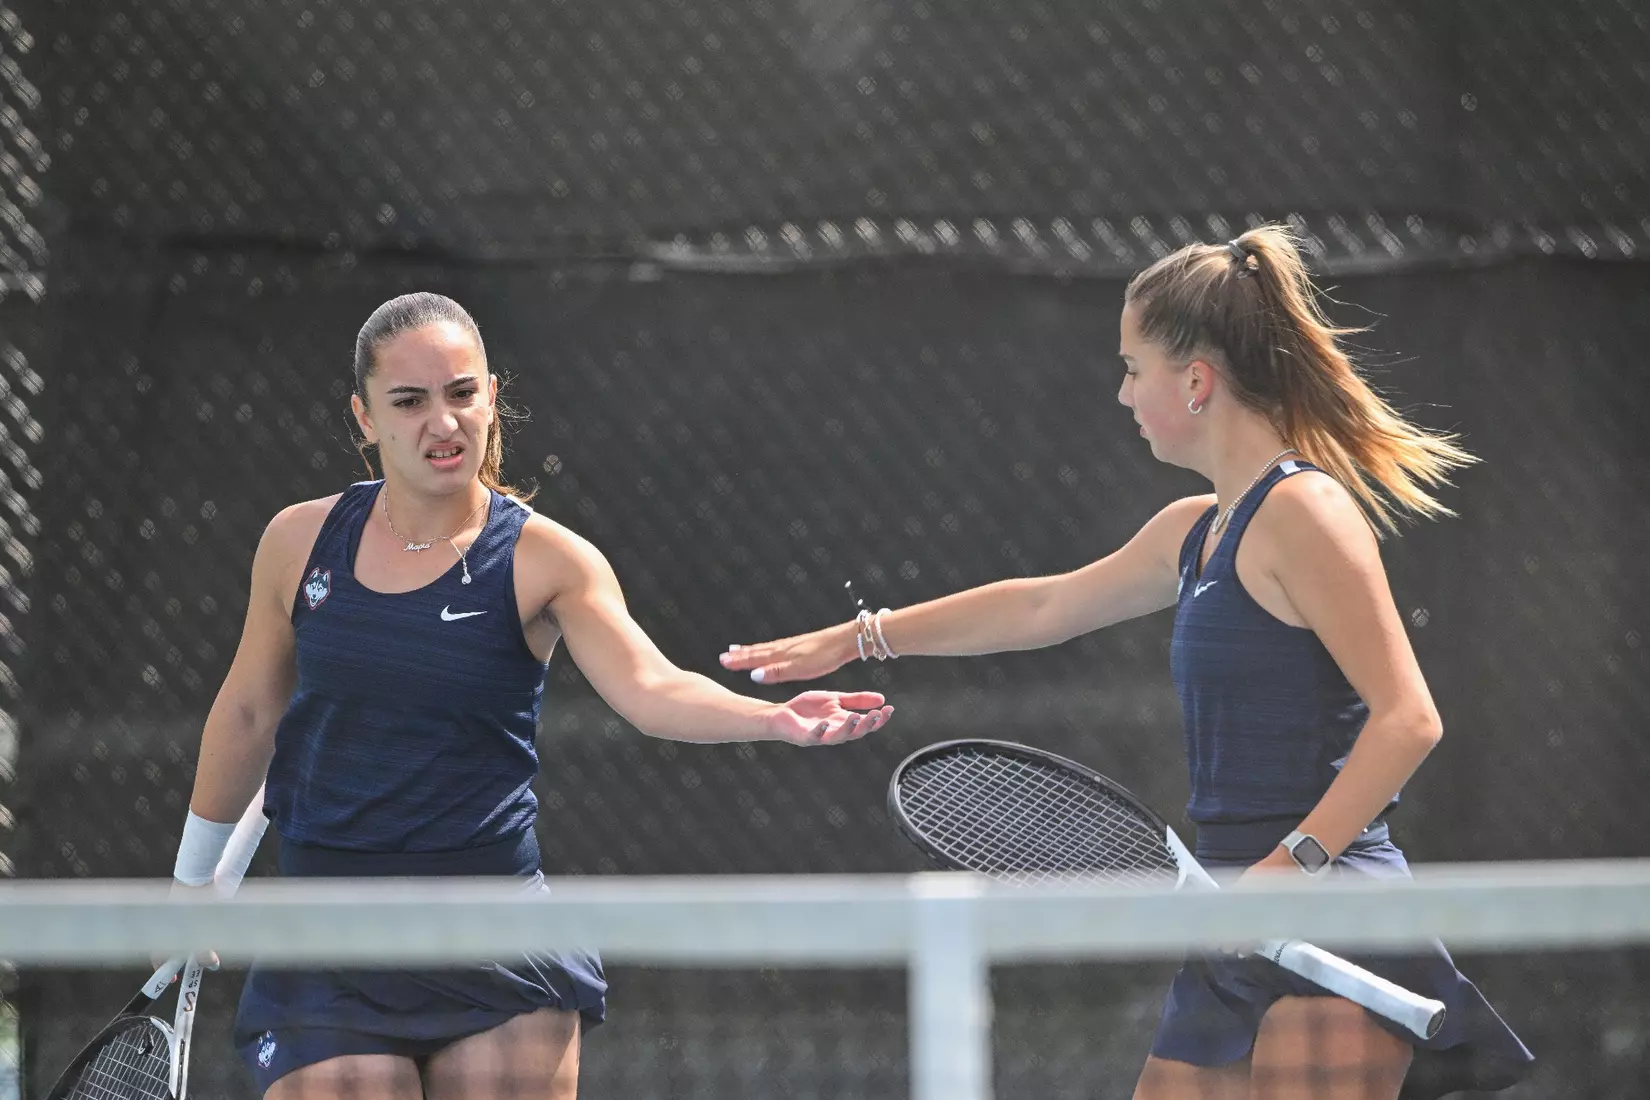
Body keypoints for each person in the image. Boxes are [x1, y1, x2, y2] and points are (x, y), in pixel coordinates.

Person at [719, 228, 1533, 1100]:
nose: (1122, 392)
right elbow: (1045, 605)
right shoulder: (1194, 530)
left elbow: (1410, 718)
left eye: (1133, 367)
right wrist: (860, 636)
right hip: (1232, 926)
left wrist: (1285, 870)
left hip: (1330, 905)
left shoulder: (1307, 512)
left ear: (1195, 381)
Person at [171, 292, 894, 1099]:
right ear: (365, 418)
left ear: (490, 397)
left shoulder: (550, 561)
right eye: (409, 401)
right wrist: (192, 883)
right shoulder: (298, 542)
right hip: (328, 939)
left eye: (462, 393)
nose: (441, 422)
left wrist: (774, 719)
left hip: (497, 937)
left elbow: (649, 684)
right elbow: (248, 711)